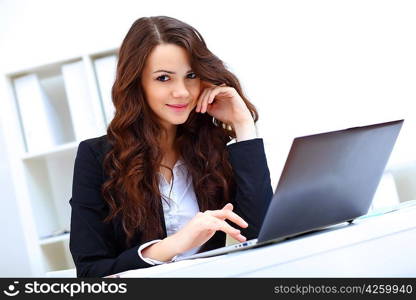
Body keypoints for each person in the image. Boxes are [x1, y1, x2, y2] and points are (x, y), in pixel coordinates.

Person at [69, 15, 273, 278]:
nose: (182, 92)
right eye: (164, 78)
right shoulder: (97, 157)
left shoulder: (212, 147)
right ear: (137, 83)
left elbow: (263, 232)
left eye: (191, 76)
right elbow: (90, 272)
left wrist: (243, 125)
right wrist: (174, 244)